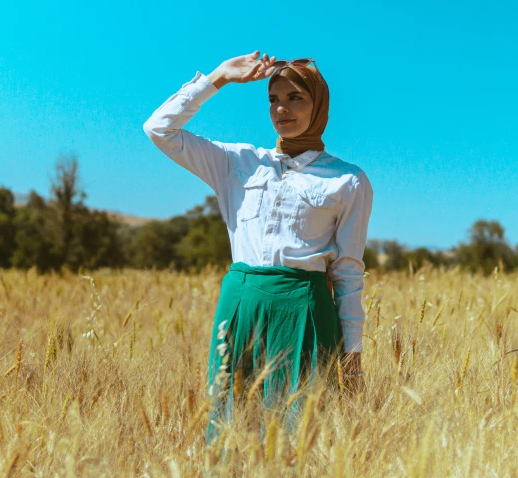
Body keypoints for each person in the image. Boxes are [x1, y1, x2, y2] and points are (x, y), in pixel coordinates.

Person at [143, 51, 373, 440]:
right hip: (240, 307)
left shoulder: (348, 181)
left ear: (319, 105)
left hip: (305, 311)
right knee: (231, 432)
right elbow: (159, 129)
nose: (282, 108)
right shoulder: (237, 162)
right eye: (273, 99)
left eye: (295, 98)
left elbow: (348, 273)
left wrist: (352, 356)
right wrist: (218, 77)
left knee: (299, 437)